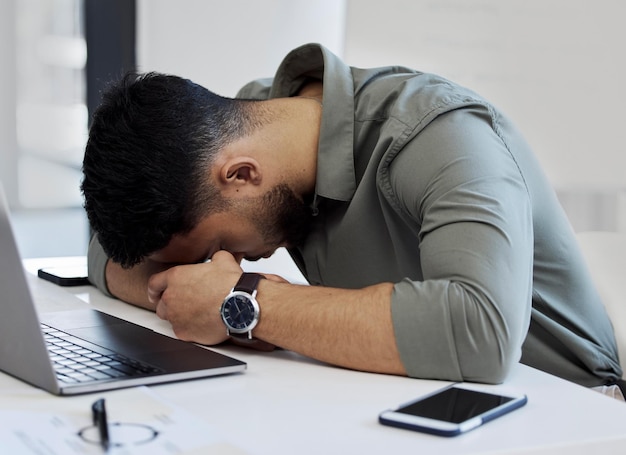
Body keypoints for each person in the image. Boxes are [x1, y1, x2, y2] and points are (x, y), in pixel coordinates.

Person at [81, 43, 623, 395]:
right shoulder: (247, 127)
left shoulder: (436, 134)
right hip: (404, 393)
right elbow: (106, 254)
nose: (225, 262)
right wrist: (196, 290)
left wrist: (241, 302)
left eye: (219, 244)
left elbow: (480, 332)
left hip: (560, 405)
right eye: (209, 260)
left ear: (242, 175)